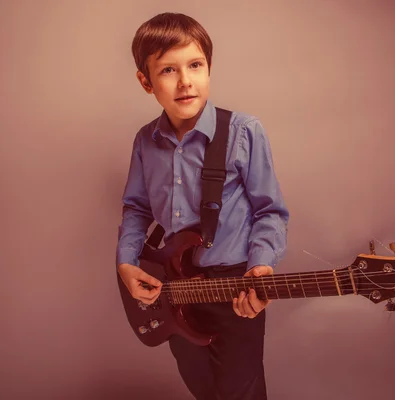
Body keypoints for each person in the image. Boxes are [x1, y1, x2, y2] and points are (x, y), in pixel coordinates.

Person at [116, 12, 289, 400]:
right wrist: (127, 264)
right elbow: (136, 209)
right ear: (146, 81)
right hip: (175, 290)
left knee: (240, 392)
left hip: (235, 289)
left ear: (209, 68)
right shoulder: (145, 142)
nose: (185, 81)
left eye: (195, 65)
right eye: (167, 70)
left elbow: (269, 212)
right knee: (204, 390)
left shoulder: (244, 132)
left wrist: (261, 267)